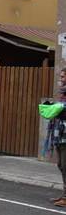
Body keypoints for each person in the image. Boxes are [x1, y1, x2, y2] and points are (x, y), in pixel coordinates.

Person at [50, 68, 66, 207]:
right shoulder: (63, 93)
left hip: (65, 134)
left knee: (65, 165)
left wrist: (59, 110)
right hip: (59, 134)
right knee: (61, 164)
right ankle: (64, 194)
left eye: (62, 76)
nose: (60, 79)